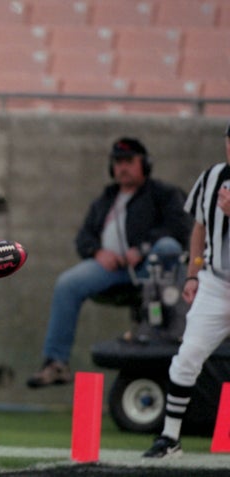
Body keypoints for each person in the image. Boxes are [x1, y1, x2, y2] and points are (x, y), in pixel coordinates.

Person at [27, 137, 192, 388]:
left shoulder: (164, 194)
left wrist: (142, 249)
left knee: (167, 248)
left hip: (151, 267)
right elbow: (83, 238)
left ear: (144, 165)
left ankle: (165, 330)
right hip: (112, 270)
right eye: (117, 162)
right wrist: (97, 252)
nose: (122, 167)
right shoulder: (107, 198)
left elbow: (180, 228)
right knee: (67, 284)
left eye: (128, 161)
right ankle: (55, 363)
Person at [143, 123, 230, 458]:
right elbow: (199, 228)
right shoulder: (211, 177)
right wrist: (193, 274)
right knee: (186, 358)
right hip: (216, 282)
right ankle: (170, 437)